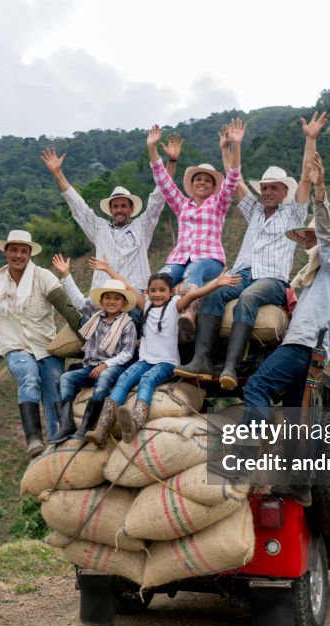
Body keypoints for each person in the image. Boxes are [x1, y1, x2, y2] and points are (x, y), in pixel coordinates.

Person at [240, 154, 330, 503]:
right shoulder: (322, 277)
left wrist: (320, 189)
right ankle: (298, 485)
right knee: (299, 419)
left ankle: (251, 456)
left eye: (312, 238)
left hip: (302, 344)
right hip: (316, 351)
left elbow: (327, 231)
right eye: (308, 238)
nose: (309, 243)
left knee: (256, 388)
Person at [177, 112, 326, 389]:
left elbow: (307, 176)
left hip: (271, 279)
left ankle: (231, 367)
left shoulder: (293, 213)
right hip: (243, 272)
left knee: (248, 297)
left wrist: (310, 139)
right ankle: (202, 360)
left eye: (273, 189)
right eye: (265, 188)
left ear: (285, 192)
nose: (267, 192)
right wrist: (229, 147)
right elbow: (236, 180)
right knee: (216, 292)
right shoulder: (255, 210)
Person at [0, 194, 83, 458]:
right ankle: (33, 439)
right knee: (28, 376)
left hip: (47, 349)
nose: (18, 255)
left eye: (23, 251)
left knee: (55, 384)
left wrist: (90, 338)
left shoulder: (43, 277)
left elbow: (67, 310)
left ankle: (57, 445)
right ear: (6, 252)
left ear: (29, 254)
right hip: (17, 349)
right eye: (13, 250)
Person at [84, 270, 242, 446]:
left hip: (166, 363)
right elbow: (127, 285)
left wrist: (217, 283)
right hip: (144, 360)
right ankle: (102, 430)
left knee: (147, 380)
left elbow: (194, 294)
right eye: (153, 290)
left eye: (162, 290)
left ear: (171, 292)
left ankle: (135, 422)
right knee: (123, 379)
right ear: (148, 292)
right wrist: (107, 269)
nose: (157, 294)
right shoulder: (146, 306)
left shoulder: (175, 305)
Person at [40, 136, 180, 296]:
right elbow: (77, 206)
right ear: (111, 209)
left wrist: (172, 162)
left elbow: (161, 193)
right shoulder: (100, 228)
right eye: (115, 206)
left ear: (131, 208)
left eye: (123, 206)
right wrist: (58, 173)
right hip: (104, 295)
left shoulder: (143, 225)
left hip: (136, 293)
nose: (119, 210)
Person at [146, 120, 243, 340]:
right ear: (192, 184)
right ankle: (152, 322)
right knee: (161, 277)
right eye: (198, 179)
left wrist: (233, 146)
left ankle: (190, 313)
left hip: (208, 259)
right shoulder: (182, 204)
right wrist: (152, 148)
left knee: (194, 270)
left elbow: (233, 177)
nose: (202, 183)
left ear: (212, 187)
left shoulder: (218, 204)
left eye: (207, 181)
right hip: (179, 258)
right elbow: (163, 181)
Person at [45, 258, 139, 445]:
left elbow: (127, 354)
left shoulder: (127, 324)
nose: (112, 302)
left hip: (113, 366)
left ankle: (87, 424)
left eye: (117, 298)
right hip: (91, 365)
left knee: (104, 378)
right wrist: (66, 275)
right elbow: (79, 301)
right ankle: (66, 424)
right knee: (66, 378)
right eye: (108, 298)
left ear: (123, 302)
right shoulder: (96, 316)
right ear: (102, 301)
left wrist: (105, 364)